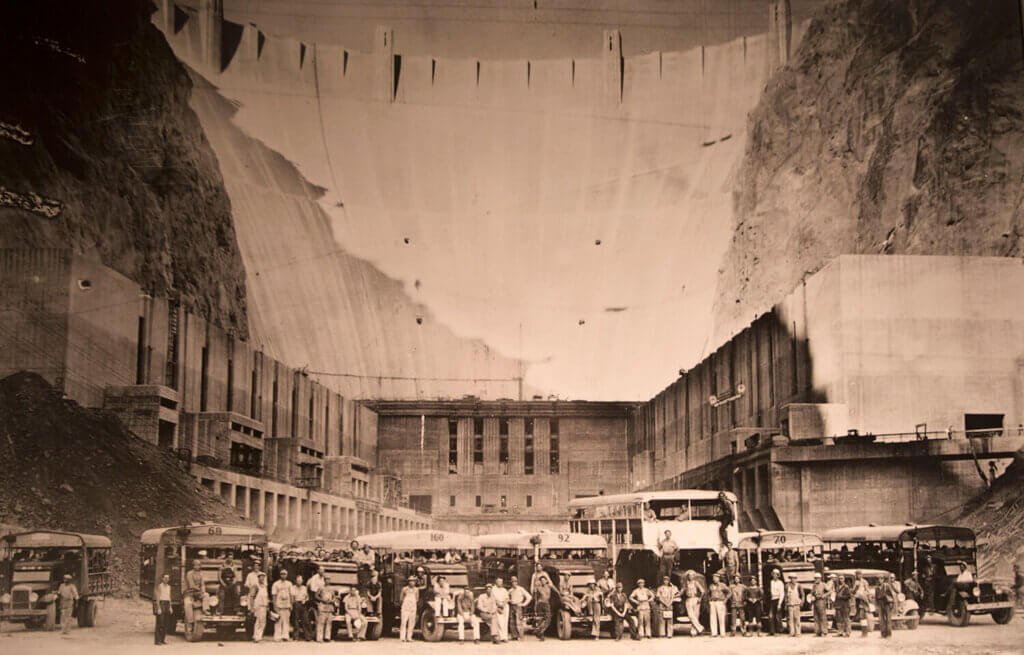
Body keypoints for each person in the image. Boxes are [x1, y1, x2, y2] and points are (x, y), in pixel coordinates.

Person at [271, 569, 294, 642]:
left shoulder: (289, 584)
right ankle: (277, 636)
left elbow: (291, 594)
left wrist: (291, 604)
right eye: (282, 574)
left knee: (286, 621)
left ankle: (285, 636)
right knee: (278, 621)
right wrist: (274, 605)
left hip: (287, 604)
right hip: (279, 604)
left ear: (287, 575)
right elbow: (274, 595)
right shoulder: (276, 584)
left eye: (284, 574)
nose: (283, 575)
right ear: (280, 575)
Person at [508, 576, 531, 640]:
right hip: (512, 606)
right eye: (512, 582)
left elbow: (529, 597)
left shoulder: (521, 589)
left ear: (517, 582)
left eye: (515, 581)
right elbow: (506, 597)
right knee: (512, 621)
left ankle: (521, 636)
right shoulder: (510, 590)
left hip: (518, 606)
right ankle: (514, 636)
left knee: (519, 622)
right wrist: (509, 601)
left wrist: (524, 604)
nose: (514, 583)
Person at [682, 570, 704, 635]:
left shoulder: (696, 582)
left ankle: (693, 631)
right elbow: (682, 591)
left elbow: (702, 591)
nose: (690, 577)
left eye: (692, 575)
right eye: (689, 575)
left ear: (694, 576)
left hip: (695, 599)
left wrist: (700, 598)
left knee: (696, 615)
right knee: (691, 616)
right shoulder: (686, 583)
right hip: (688, 599)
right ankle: (700, 628)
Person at [184, 560, 205, 625]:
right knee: (188, 604)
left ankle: (206, 610)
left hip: (198, 592)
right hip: (189, 592)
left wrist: (203, 592)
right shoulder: (189, 573)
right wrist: (199, 590)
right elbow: (191, 585)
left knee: (206, 595)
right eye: (196, 565)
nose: (197, 566)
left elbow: (202, 584)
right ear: (193, 566)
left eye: (198, 565)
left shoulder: (201, 573)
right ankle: (190, 622)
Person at [532, 575, 553, 640]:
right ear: (540, 582)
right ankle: (541, 635)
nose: (543, 581)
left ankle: (539, 631)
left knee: (548, 619)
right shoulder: (538, 587)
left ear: (546, 581)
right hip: (540, 604)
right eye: (541, 580)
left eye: (544, 580)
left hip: (546, 603)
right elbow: (535, 596)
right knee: (540, 619)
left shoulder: (549, 587)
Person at [852, 570, 872, 637]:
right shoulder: (856, 582)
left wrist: (865, 597)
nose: (858, 576)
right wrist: (856, 588)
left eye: (859, 574)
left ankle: (865, 632)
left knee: (863, 616)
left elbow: (868, 591)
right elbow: (854, 591)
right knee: (861, 616)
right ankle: (863, 631)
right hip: (858, 600)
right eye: (857, 575)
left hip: (863, 600)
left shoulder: (864, 582)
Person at [251, 573, 270, 643]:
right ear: (258, 578)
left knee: (263, 622)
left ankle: (259, 636)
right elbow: (252, 597)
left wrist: (267, 606)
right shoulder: (255, 586)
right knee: (258, 621)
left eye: (263, 577)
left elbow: (266, 597)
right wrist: (252, 607)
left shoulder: (265, 586)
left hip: (264, 606)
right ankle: (256, 636)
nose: (262, 579)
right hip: (258, 606)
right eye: (261, 577)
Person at [291, 574, 311, 640]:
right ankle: (296, 636)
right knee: (296, 621)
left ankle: (307, 637)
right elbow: (292, 597)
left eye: (300, 580)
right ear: (296, 581)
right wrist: (293, 604)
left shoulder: (304, 588)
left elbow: (307, 596)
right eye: (297, 580)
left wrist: (305, 600)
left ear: (302, 581)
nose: (299, 582)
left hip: (303, 604)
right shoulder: (293, 587)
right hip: (296, 604)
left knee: (306, 620)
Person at [152, 573, 171, 644]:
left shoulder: (169, 587)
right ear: (162, 579)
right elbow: (157, 598)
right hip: (161, 603)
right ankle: (157, 641)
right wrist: (159, 608)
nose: (166, 579)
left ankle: (163, 640)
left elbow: (169, 597)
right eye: (165, 578)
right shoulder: (160, 586)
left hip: (167, 604)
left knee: (165, 623)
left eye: (168, 578)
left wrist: (170, 607)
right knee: (160, 623)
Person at [876, 574, 896, 639]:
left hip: (887, 603)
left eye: (881, 579)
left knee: (888, 619)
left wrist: (892, 603)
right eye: (878, 579)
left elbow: (891, 595)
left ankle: (889, 634)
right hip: (880, 603)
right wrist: (877, 605)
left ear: (883, 579)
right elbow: (876, 597)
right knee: (881, 619)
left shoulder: (887, 586)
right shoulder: (877, 588)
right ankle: (883, 633)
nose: (879, 580)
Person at [399, 577, 419, 642]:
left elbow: (417, 599)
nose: (411, 582)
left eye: (413, 581)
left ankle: (409, 637)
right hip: (405, 607)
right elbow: (401, 598)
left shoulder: (416, 589)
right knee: (404, 622)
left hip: (413, 607)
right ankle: (402, 637)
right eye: (410, 581)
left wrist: (413, 604)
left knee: (411, 623)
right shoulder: (405, 589)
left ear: (415, 582)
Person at [708, 573, 728, 637]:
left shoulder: (723, 585)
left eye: (716, 578)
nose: (714, 579)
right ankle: (714, 633)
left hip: (720, 601)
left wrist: (725, 600)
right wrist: (709, 600)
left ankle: (722, 633)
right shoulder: (711, 586)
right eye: (713, 578)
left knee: (721, 617)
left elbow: (729, 592)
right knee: (712, 617)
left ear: (719, 578)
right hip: (713, 602)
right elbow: (708, 593)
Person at [491, 577, 510, 642]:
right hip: (497, 606)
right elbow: (493, 598)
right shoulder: (493, 589)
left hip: (504, 606)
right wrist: (499, 605)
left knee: (505, 622)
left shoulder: (504, 590)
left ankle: (505, 637)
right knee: (500, 621)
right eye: (499, 581)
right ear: (496, 582)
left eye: (501, 581)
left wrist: (503, 604)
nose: (500, 583)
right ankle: (501, 637)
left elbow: (507, 598)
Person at [810, 572, 828, 637]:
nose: (816, 579)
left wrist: (824, 595)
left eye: (817, 578)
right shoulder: (814, 585)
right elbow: (812, 593)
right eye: (815, 578)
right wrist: (812, 597)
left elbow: (829, 591)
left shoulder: (823, 585)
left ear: (820, 579)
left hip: (821, 601)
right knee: (816, 617)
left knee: (822, 617)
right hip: (815, 601)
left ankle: (824, 632)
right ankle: (817, 632)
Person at [768, 569, 785, 635]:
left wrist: (779, 603)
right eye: (773, 574)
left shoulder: (780, 583)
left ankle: (779, 631)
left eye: (776, 574)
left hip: (778, 600)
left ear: (778, 575)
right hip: (772, 600)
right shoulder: (771, 582)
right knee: (771, 616)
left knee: (778, 616)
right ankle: (772, 631)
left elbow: (782, 593)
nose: (774, 575)